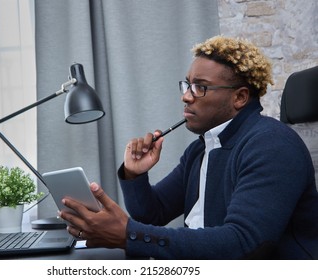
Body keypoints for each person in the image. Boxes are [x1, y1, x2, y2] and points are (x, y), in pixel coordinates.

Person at [59, 35, 318, 259]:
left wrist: (129, 234)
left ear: (239, 97)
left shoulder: (271, 145)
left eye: (200, 87)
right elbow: (153, 215)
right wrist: (134, 174)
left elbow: (242, 244)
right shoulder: (202, 148)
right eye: (187, 84)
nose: (186, 95)